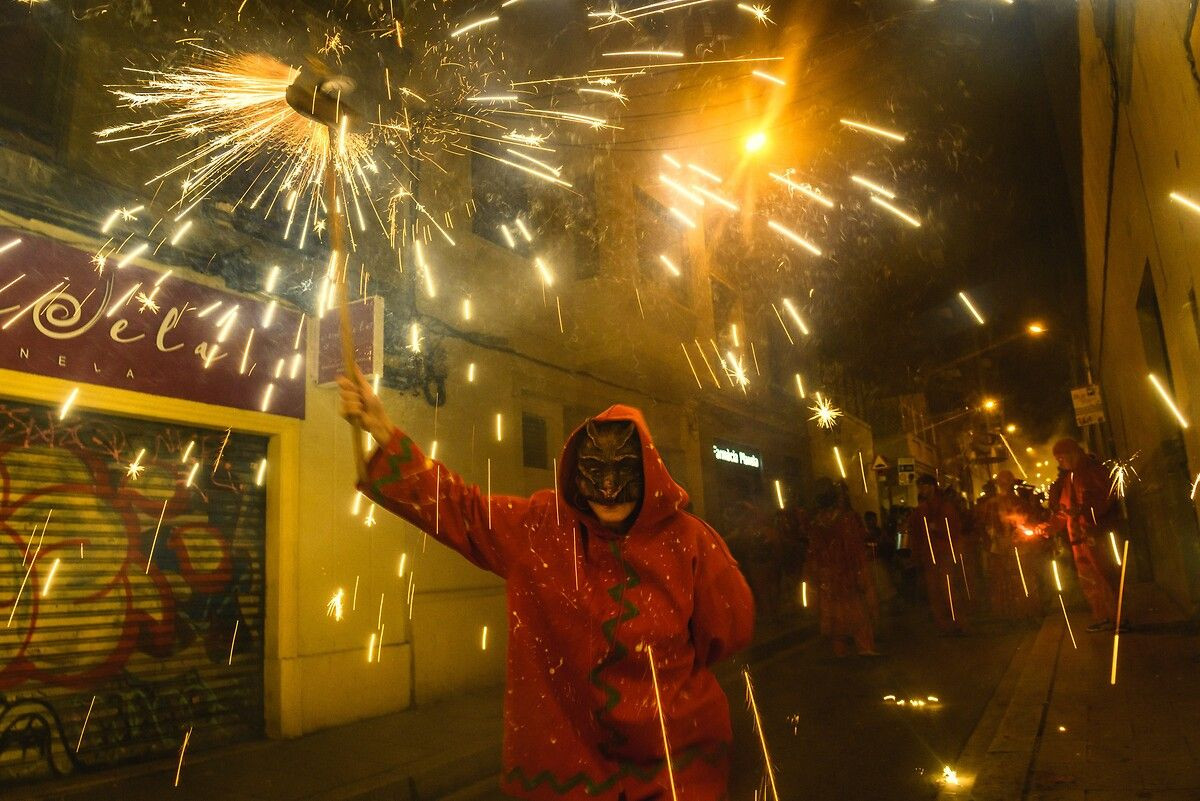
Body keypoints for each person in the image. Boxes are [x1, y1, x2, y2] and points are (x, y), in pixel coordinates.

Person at [338, 368, 755, 801]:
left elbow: (729, 630)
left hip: (678, 774)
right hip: (569, 777)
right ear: (576, 471)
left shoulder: (690, 542)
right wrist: (383, 431)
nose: (609, 486)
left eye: (623, 470)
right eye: (596, 469)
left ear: (648, 468)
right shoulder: (542, 529)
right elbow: (462, 510)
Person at [1048, 438, 1123, 632]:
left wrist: (1081, 511)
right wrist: (1049, 527)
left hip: (1095, 534)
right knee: (1089, 579)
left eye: (1061, 458)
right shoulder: (1070, 478)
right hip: (1078, 538)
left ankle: (1119, 618)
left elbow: (1105, 499)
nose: (1060, 463)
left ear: (1073, 453)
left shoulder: (1093, 471)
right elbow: (1064, 510)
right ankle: (1103, 616)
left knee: (1105, 575)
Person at [804, 479, 879, 656]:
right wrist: (861, 572)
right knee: (856, 610)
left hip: (827, 577)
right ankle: (865, 647)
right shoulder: (846, 520)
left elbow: (813, 554)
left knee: (833, 614)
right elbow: (855, 548)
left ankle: (840, 650)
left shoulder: (816, 523)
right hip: (845, 573)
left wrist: (813, 577)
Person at [906, 475, 968, 634]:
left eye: (924, 486)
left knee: (947, 588)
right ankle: (943, 625)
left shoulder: (945, 507)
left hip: (945, 553)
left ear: (932, 486)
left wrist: (938, 529)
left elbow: (954, 530)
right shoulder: (921, 509)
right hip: (930, 555)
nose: (921, 490)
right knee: (934, 591)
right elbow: (915, 533)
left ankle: (957, 623)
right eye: (919, 487)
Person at [981, 471, 1044, 622]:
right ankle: (1007, 614)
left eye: (1006, 481)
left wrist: (1022, 533)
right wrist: (991, 537)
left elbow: (1031, 520)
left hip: (1020, 547)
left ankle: (1027, 611)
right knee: (1002, 581)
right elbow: (985, 524)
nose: (1003, 485)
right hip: (999, 547)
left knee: (1023, 579)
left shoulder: (1020, 502)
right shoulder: (991, 504)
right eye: (1001, 482)